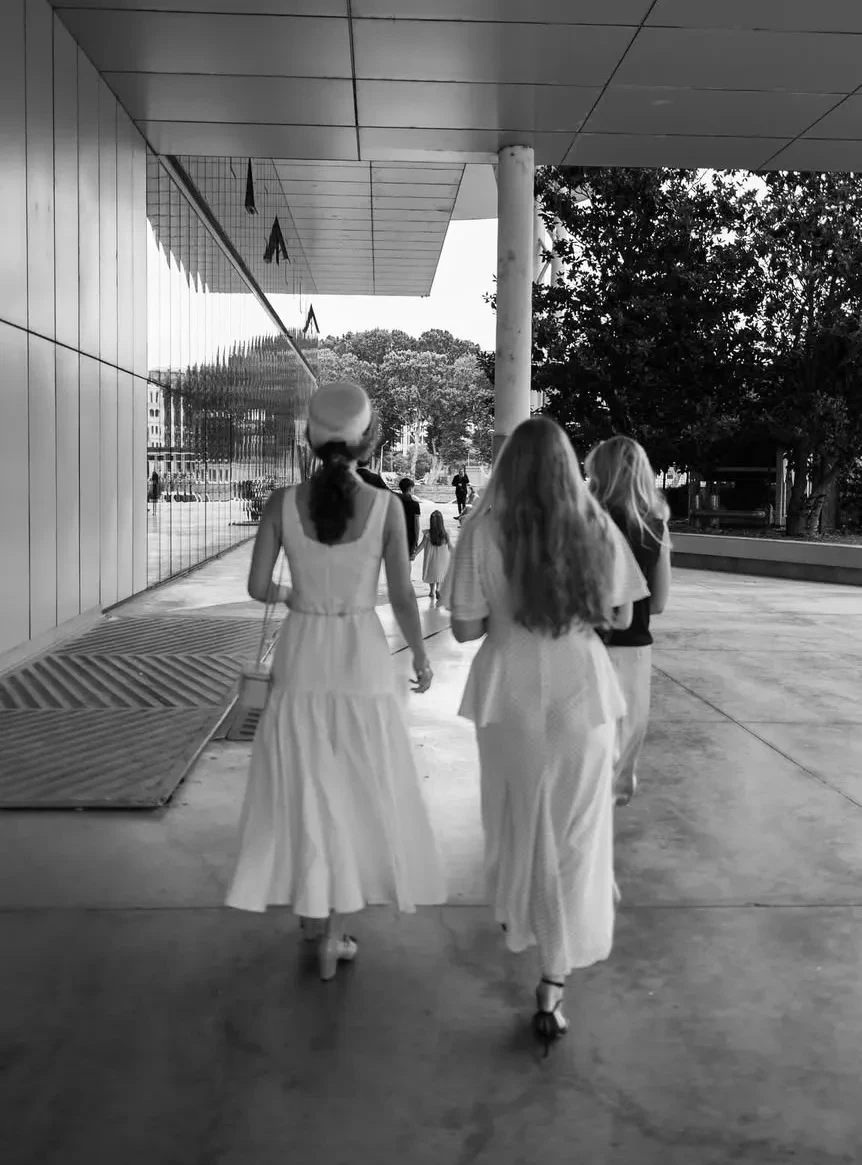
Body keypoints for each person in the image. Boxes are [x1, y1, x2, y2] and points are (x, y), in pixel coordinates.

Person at [226, 381, 446, 981]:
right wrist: (421, 658)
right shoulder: (386, 508)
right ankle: (336, 932)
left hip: (303, 651)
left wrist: (296, 595)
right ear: (369, 442)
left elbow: (257, 587)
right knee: (353, 783)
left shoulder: (281, 503)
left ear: (310, 439)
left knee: (305, 778)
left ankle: (311, 909)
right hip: (361, 655)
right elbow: (403, 594)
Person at [442, 417, 648, 1050]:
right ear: (566, 465)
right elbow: (622, 613)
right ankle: (555, 978)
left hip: (509, 690)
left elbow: (465, 629)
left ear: (508, 466)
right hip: (582, 689)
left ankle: (524, 920)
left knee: (516, 817)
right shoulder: (595, 525)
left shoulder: (482, 530)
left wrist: (507, 616)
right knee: (577, 829)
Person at [584, 436, 672, 807]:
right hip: (635, 648)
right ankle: (619, 789)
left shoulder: (586, 523)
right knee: (625, 739)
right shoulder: (655, 526)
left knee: (589, 747)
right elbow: (659, 603)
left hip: (588, 644)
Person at [415, 509, 452, 603]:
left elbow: (421, 546)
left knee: (432, 574)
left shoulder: (428, 534)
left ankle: (431, 591)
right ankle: (438, 589)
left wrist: (414, 554)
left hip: (431, 559)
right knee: (440, 574)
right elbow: (450, 546)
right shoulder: (446, 534)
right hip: (442, 559)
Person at [398, 477, 421, 560]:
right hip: (409, 537)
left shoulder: (395, 502)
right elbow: (416, 524)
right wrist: (416, 540)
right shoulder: (415, 504)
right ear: (411, 488)